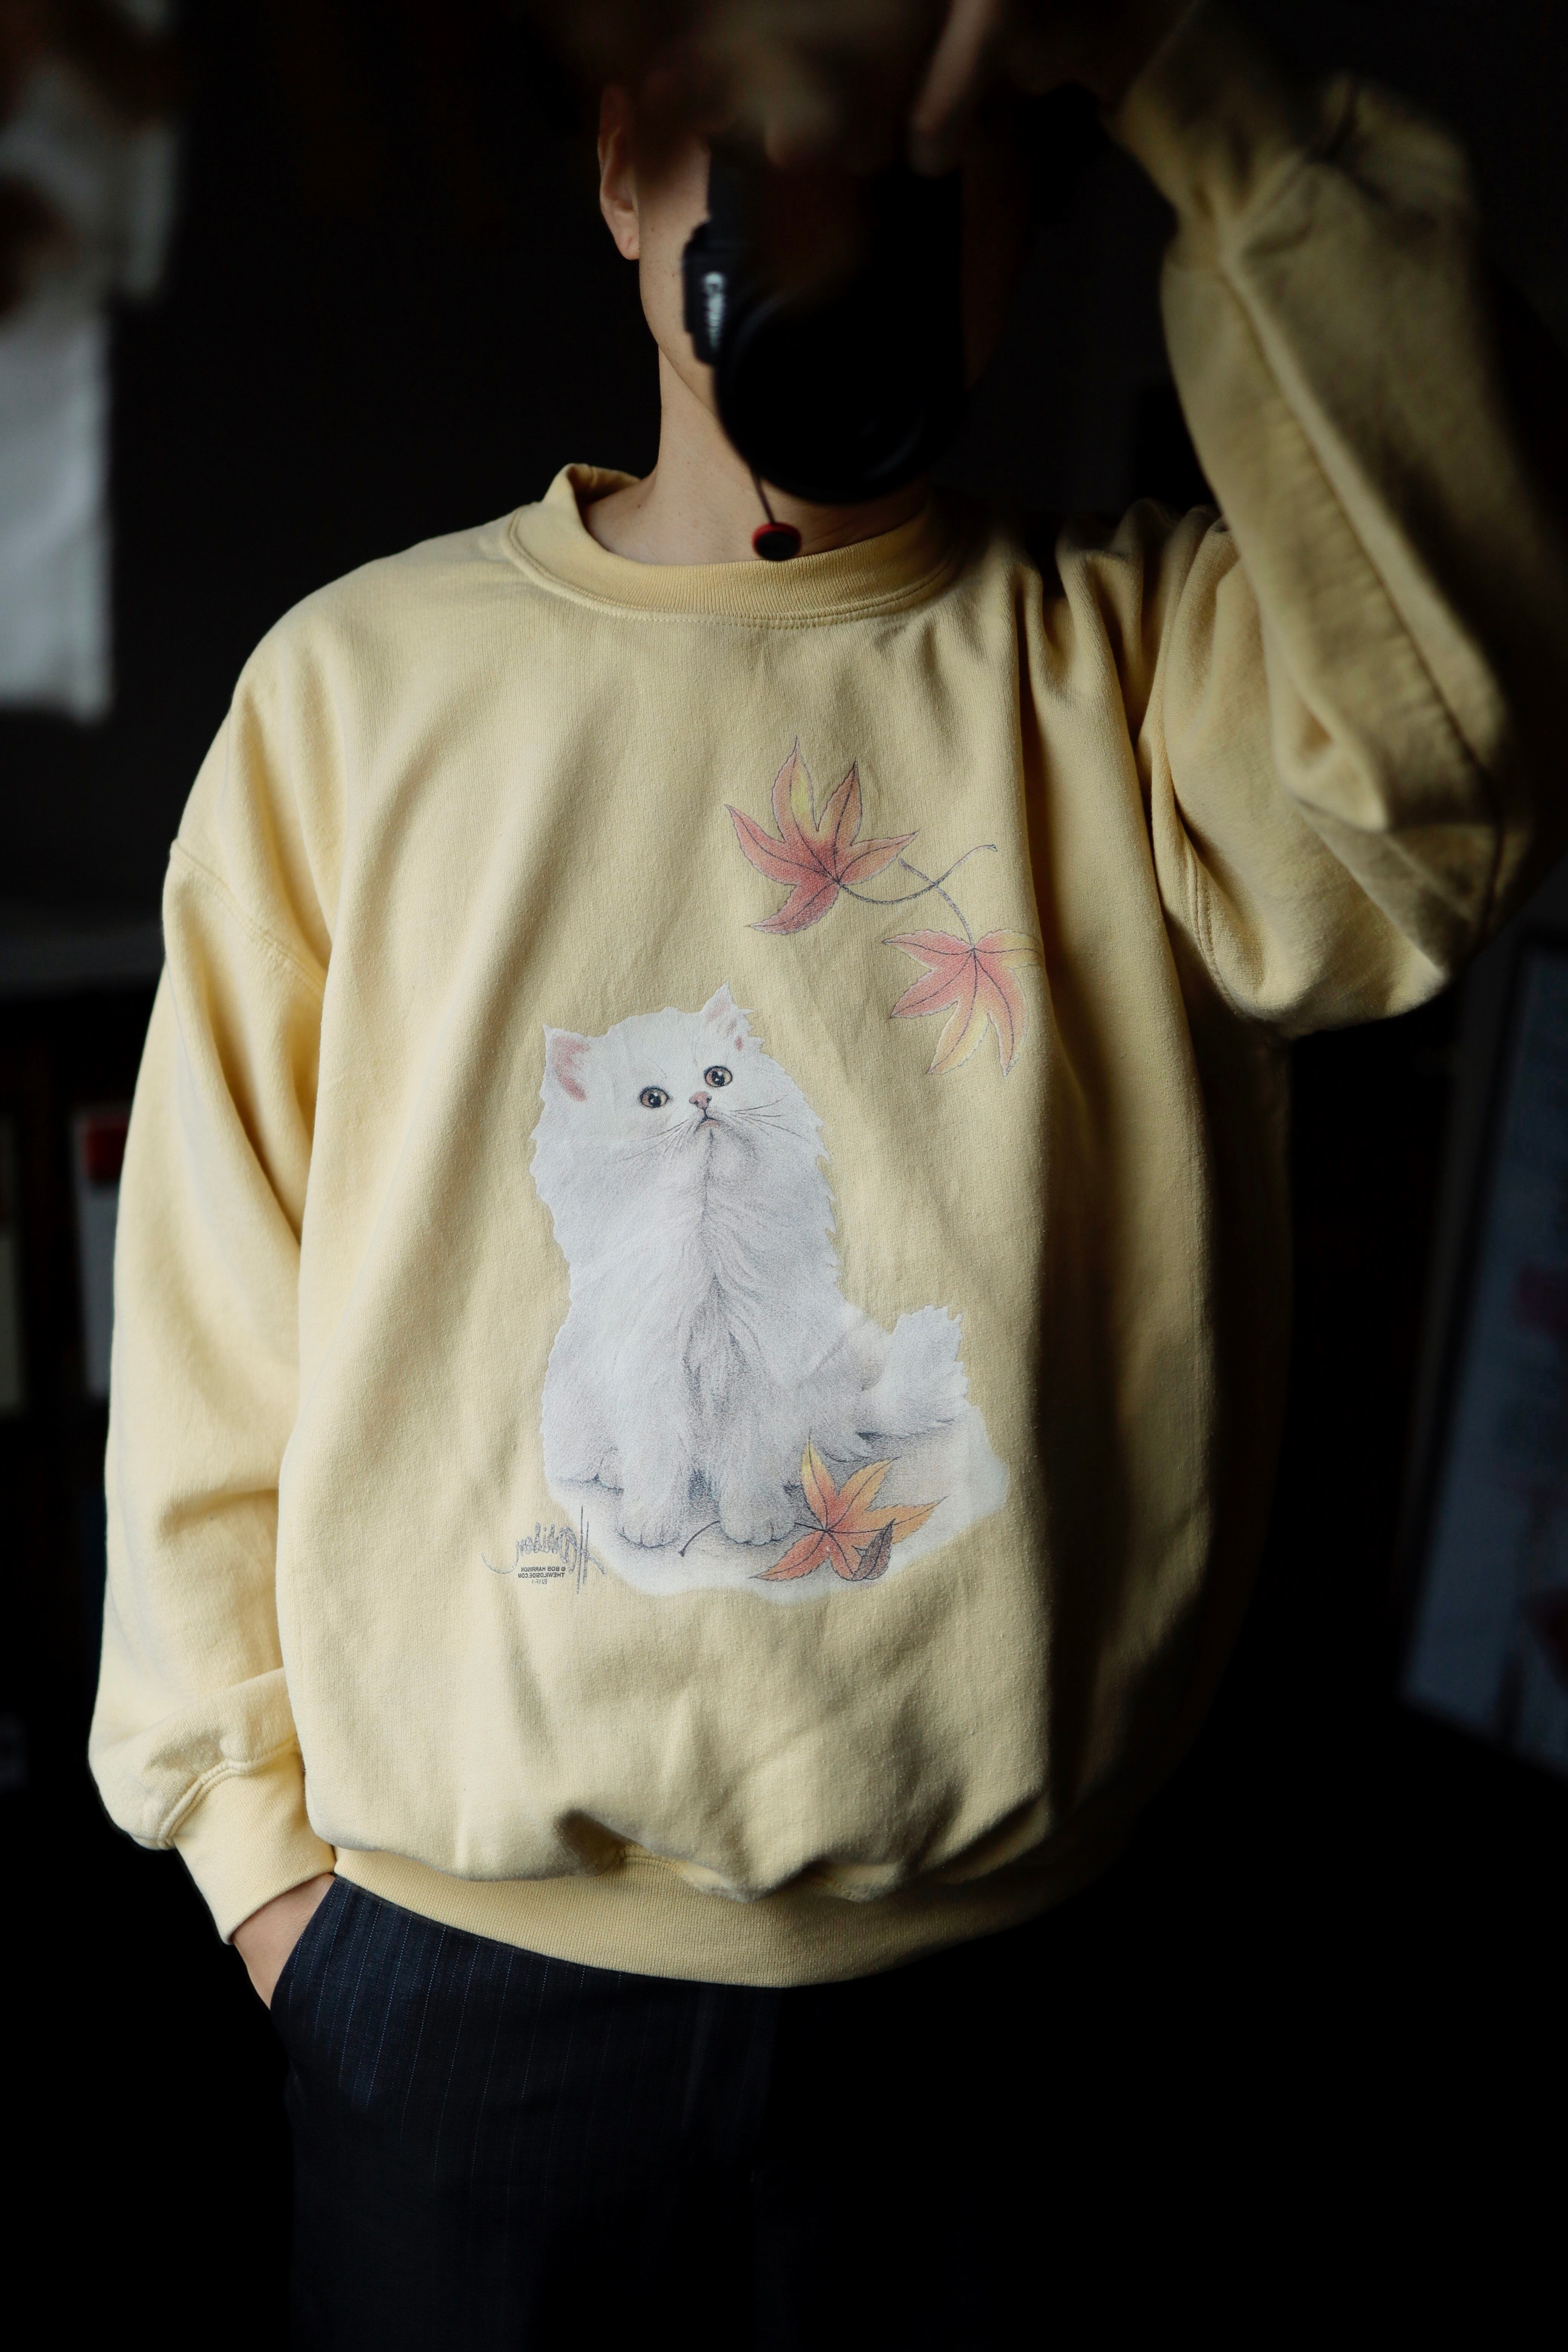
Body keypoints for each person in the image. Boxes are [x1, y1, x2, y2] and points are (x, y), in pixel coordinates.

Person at [89, 0, 1567, 2341]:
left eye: (911, 156)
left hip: (1004, 2003)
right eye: (765, 126)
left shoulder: (1145, 671)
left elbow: (1459, 758)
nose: (836, 209)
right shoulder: (355, 699)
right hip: (457, 1986)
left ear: (1017, 220)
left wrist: (1176, 71)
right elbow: (202, 1339)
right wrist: (270, 1881)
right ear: (623, 169)